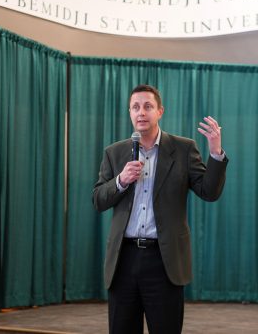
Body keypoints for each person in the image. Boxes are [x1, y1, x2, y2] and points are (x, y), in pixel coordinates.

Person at [93, 84, 228, 334]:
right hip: (123, 259)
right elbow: (98, 200)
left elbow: (209, 192)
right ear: (130, 113)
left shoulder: (183, 148)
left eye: (147, 106)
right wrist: (121, 180)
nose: (141, 112)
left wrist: (215, 152)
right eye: (135, 107)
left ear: (160, 111)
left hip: (164, 261)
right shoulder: (115, 152)